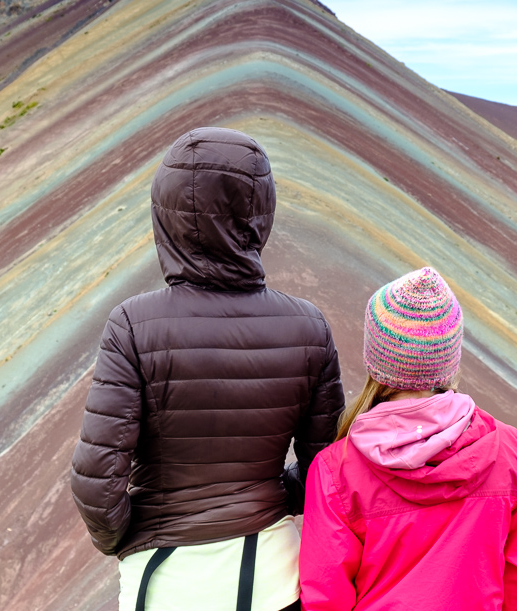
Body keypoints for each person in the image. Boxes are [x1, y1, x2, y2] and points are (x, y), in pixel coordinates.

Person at [70, 126, 344, 611]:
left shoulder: (133, 325)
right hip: (272, 579)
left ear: (165, 211)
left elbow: (97, 475)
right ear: (261, 213)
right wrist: (271, 491)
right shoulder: (309, 327)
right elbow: (327, 468)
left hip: (164, 582)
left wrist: (127, 537)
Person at [298, 267, 517, 610]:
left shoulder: (336, 470)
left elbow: (326, 599)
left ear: (376, 358)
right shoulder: (508, 449)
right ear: (449, 358)